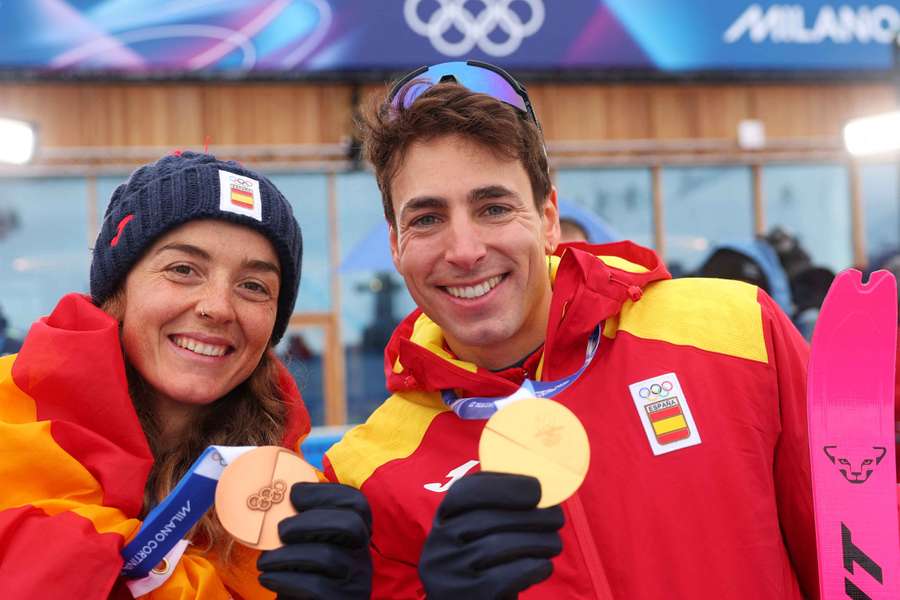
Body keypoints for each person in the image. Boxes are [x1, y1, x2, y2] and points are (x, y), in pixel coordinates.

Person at [323, 61, 818, 598]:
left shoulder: (735, 331)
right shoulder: (365, 474)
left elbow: (857, 561)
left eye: (493, 207)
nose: (464, 251)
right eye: (427, 219)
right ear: (396, 245)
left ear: (548, 219)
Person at [0, 151, 372, 599]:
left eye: (253, 286)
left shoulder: (283, 496)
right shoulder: (11, 422)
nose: (217, 307)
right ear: (118, 288)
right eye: (183, 269)